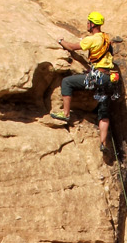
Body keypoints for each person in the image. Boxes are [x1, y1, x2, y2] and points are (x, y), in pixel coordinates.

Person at [50, 11, 118, 151]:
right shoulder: (106, 38)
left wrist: (61, 41)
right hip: (108, 78)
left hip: (97, 77)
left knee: (67, 82)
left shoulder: (92, 39)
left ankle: (66, 114)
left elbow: (72, 47)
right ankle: (103, 143)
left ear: (92, 24)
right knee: (103, 112)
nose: (87, 24)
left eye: (88, 22)